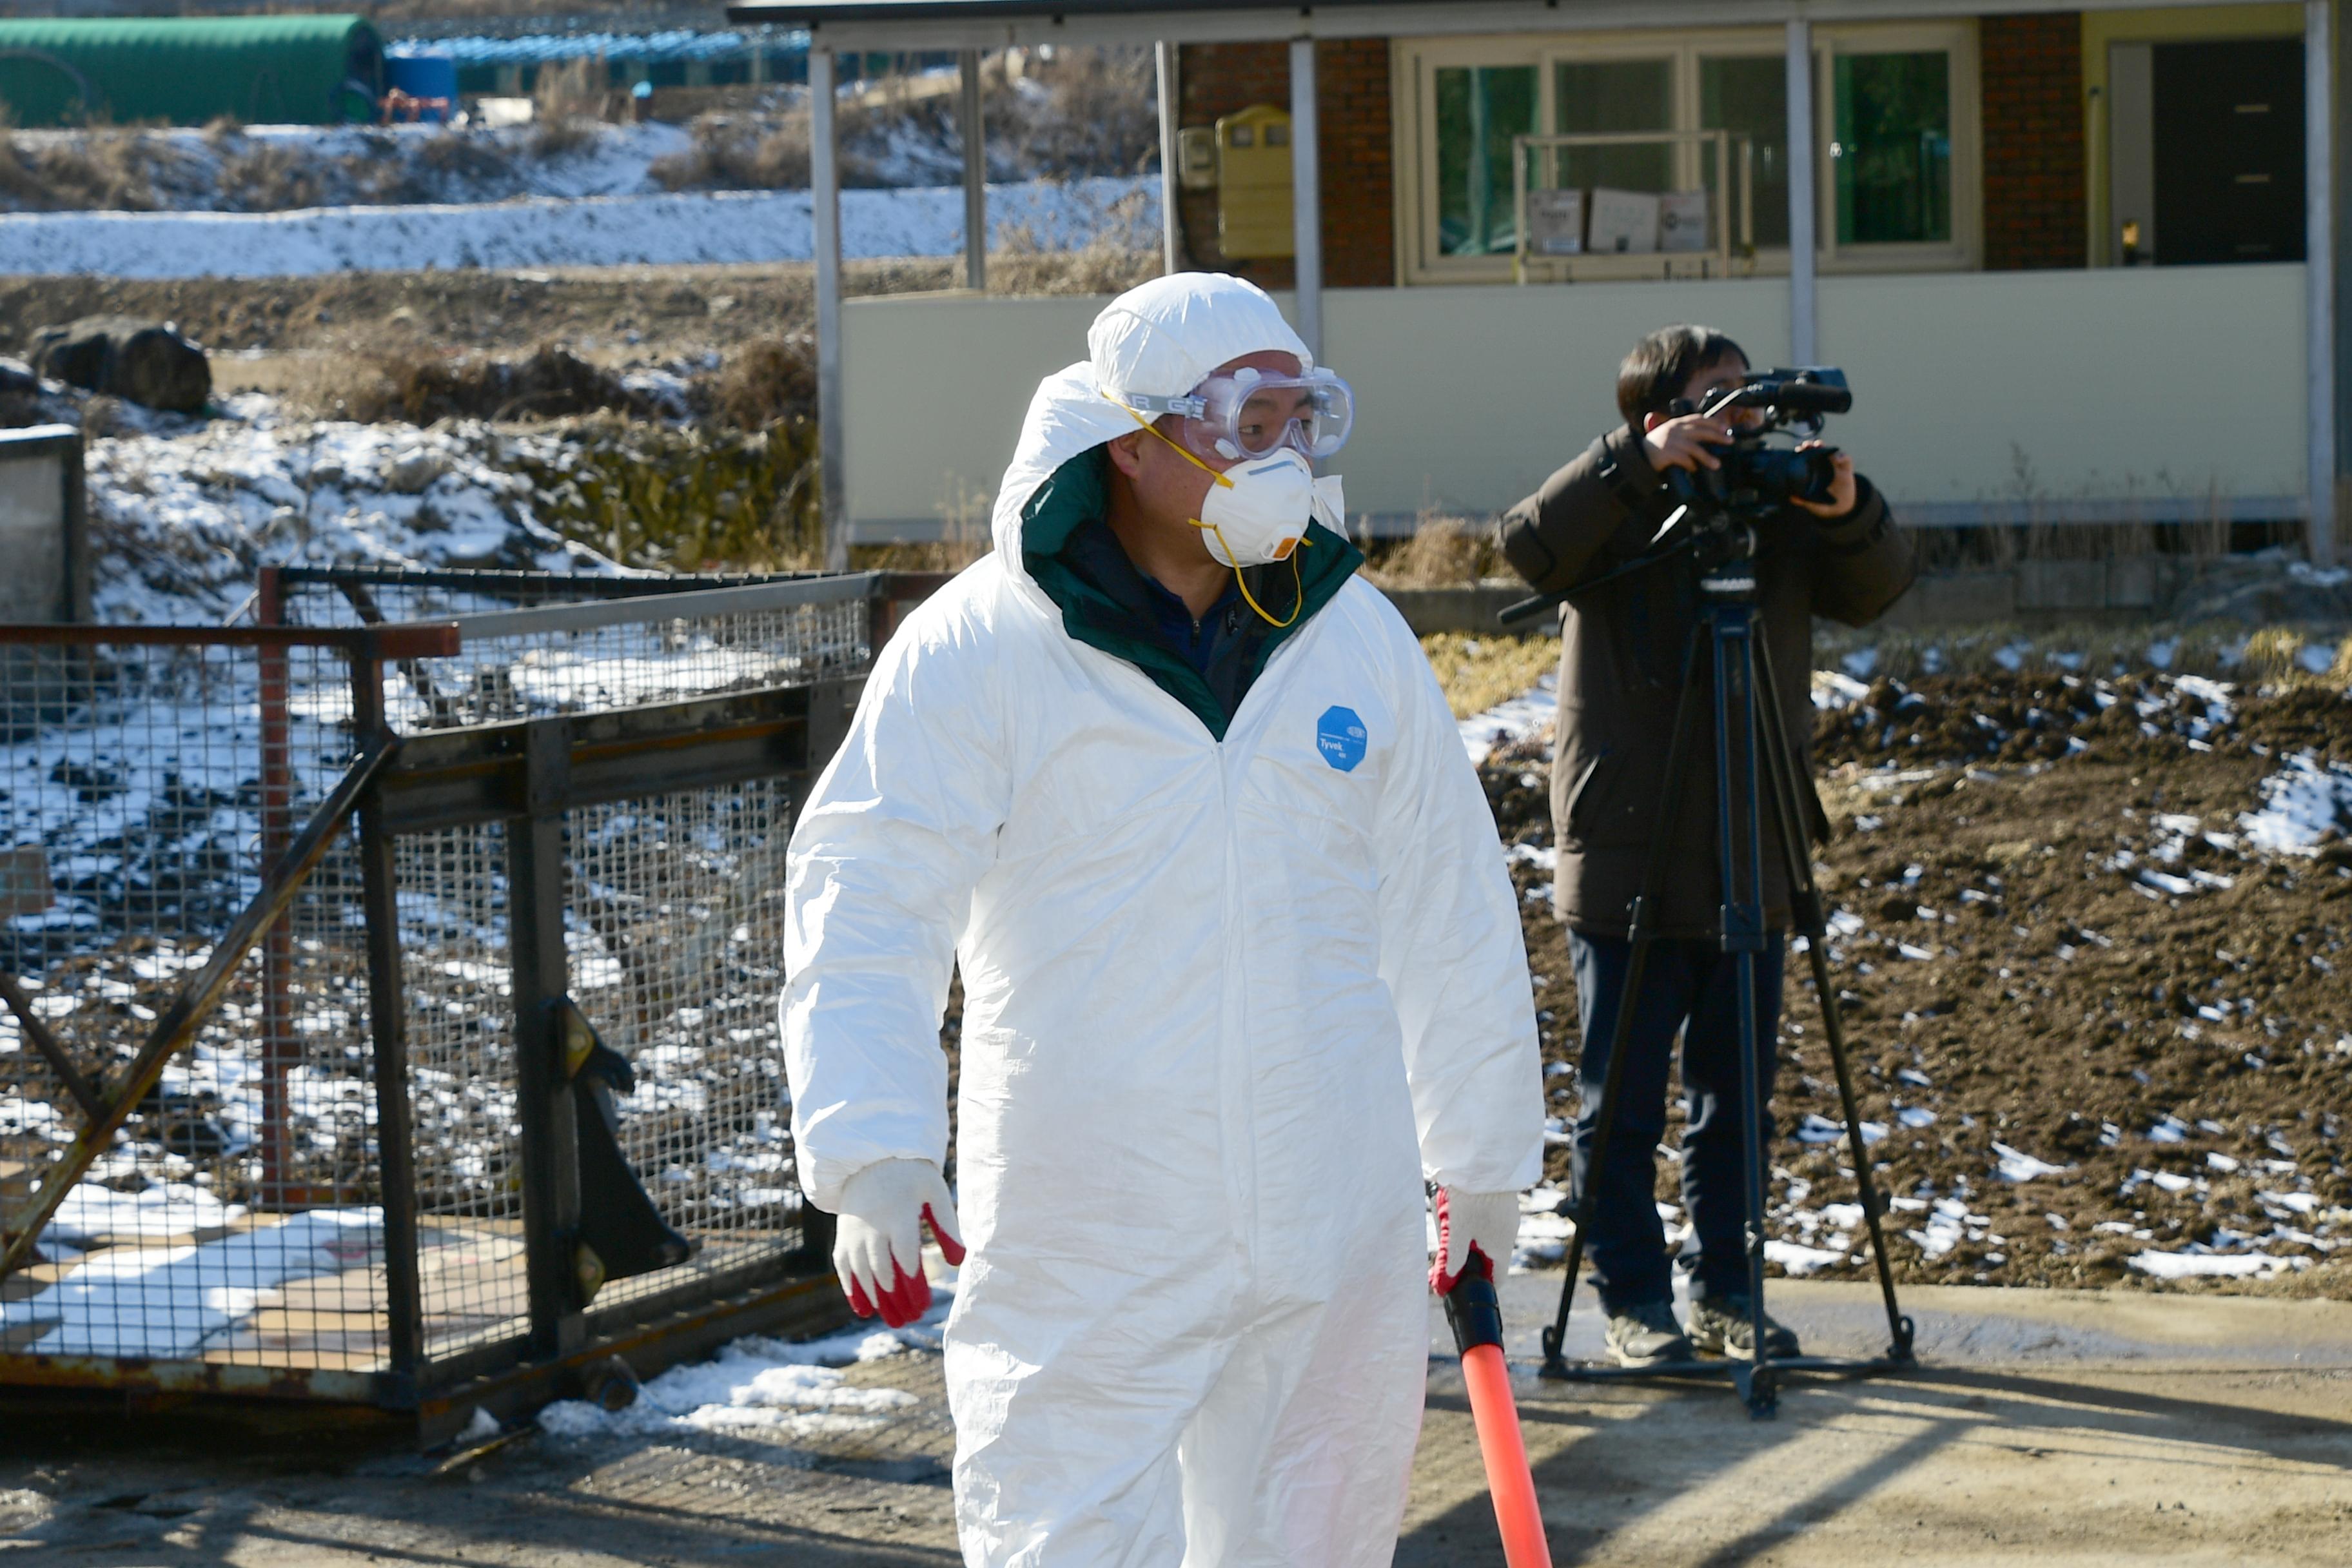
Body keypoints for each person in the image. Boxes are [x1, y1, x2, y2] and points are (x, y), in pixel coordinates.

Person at [781, 271, 1544, 1565]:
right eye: (1252, 425)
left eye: (1305, 422)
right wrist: (873, 1144)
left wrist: (1479, 1151)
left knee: (1312, 1527)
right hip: (1096, 1225)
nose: (1287, 457)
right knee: (1068, 1532)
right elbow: (869, 883)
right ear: (1131, 441)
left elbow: (1448, 899)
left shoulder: (1349, 636)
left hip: (1329, 1215)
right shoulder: (989, 645)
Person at [1496, 324, 1916, 1369]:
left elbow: (1880, 585)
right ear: (1663, 416)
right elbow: (1525, 544)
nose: (1746, 419)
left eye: (1753, 398)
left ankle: (1730, 1289)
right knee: (1622, 1106)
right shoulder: (1621, 508)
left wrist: (1849, 512)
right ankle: (1634, 1301)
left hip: (1750, 853)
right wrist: (1632, 466)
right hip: (1629, 861)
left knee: (1736, 1106)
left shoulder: (1773, 510)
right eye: (1719, 400)